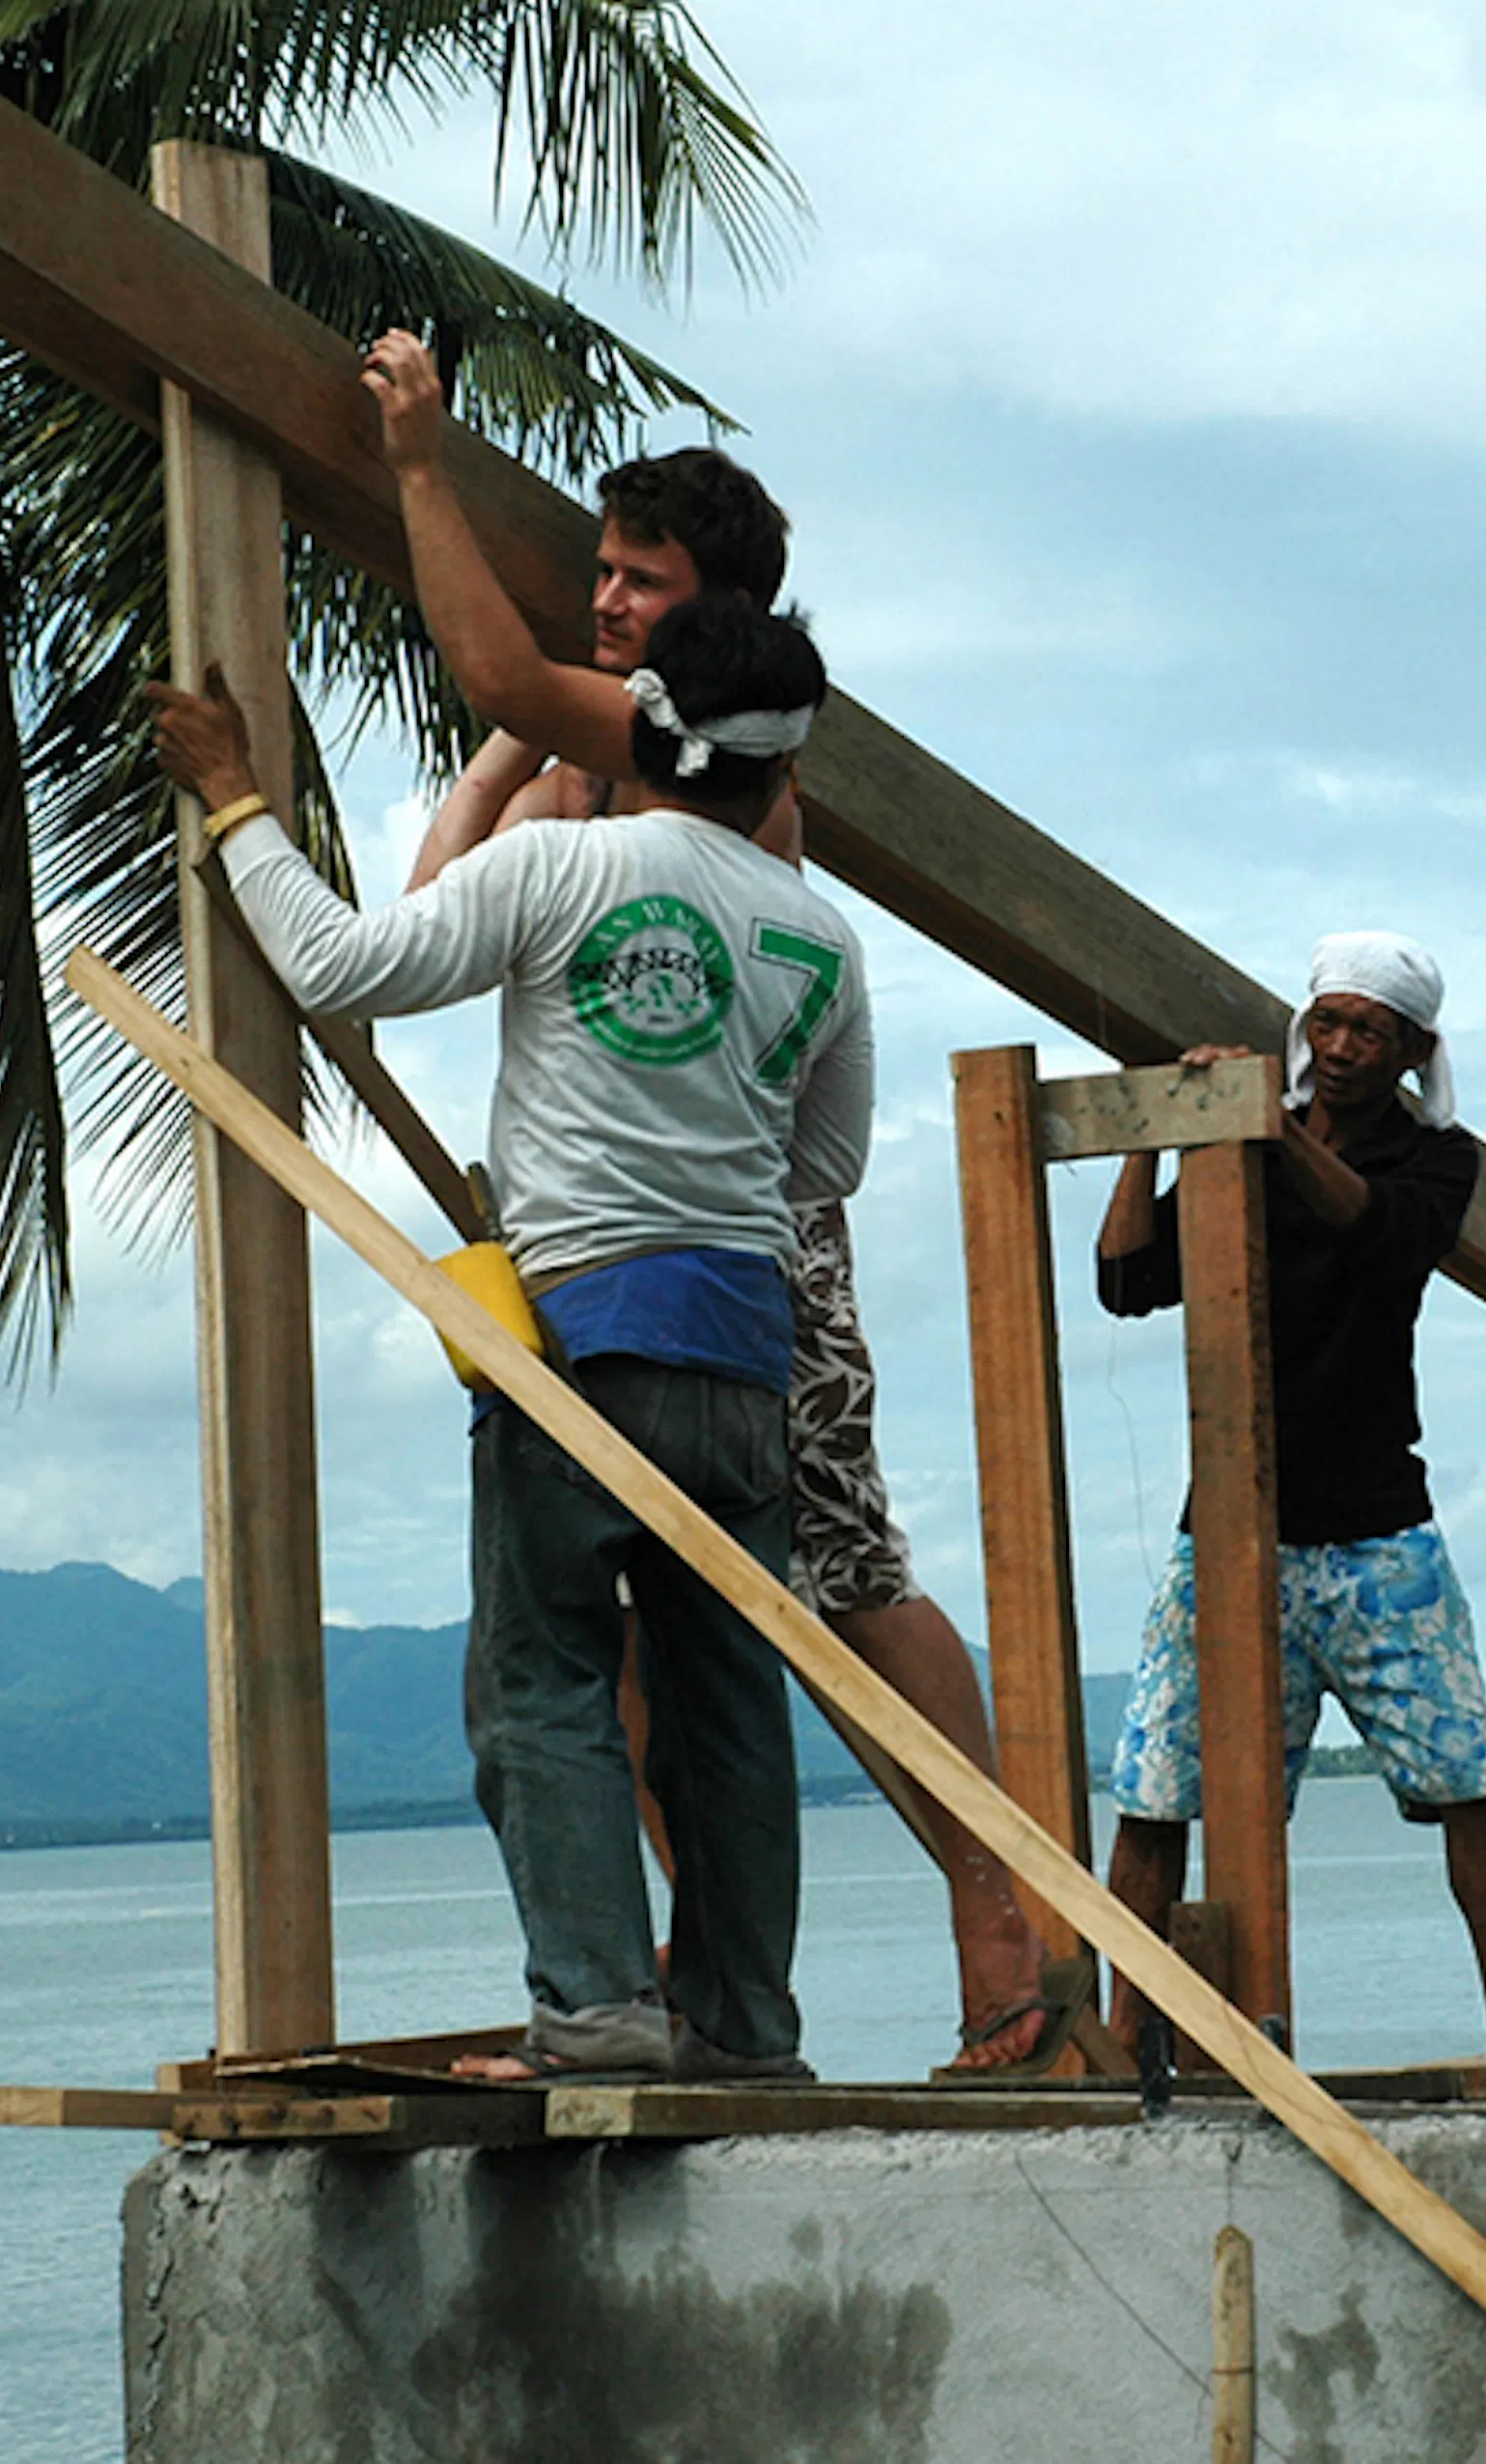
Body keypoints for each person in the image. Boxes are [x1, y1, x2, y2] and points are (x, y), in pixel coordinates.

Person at [357, 329, 1063, 2077]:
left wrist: (425, 465)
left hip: (742, 1249)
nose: (608, 604)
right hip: (657, 1245)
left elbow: (486, 662)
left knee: (829, 1577)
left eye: (640, 581)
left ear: (716, 619)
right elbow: (454, 871)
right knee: (670, 1651)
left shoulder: (700, 738)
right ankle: (704, 1991)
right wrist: (516, 743)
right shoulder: (637, 746)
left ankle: (1004, 1945)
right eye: (599, 570)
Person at [146, 590, 864, 2082]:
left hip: (589, 1338)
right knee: (726, 1710)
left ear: (639, 730)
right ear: (785, 773)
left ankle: (600, 2020)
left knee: (542, 1681)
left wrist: (231, 800)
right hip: (745, 1355)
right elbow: (826, 1168)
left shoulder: (557, 868)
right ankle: (743, 2032)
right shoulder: (819, 940)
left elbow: (344, 972)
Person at [1093, 934, 1486, 2053]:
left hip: (1378, 1530)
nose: (1339, 1049)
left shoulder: (1437, 1160)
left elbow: (1377, 1234)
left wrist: (1268, 1126)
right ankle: (1119, 2030)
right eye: (1325, 1022)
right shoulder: (1236, 1142)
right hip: (1230, 1530)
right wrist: (1153, 1132)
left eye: (1367, 1031)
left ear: (1412, 1049)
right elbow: (1127, 1280)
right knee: (1155, 1790)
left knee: (1465, 1782)